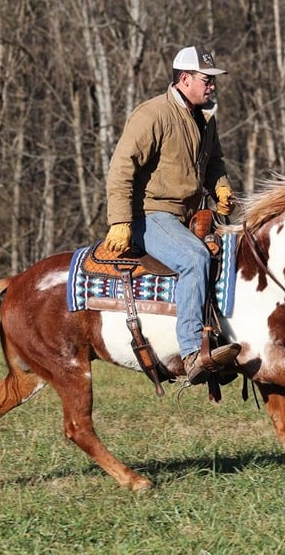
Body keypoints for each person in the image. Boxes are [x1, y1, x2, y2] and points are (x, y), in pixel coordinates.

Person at [104, 45, 241, 385]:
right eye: (206, 79)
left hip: (188, 217)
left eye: (213, 79)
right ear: (185, 79)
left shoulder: (204, 116)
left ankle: (220, 336)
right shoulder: (152, 114)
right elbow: (122, 167)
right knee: (195, 258)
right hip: (151, 215)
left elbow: (213, 163)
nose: (212, 85)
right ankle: (193, 352)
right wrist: (120, 221)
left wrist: (220, 187)